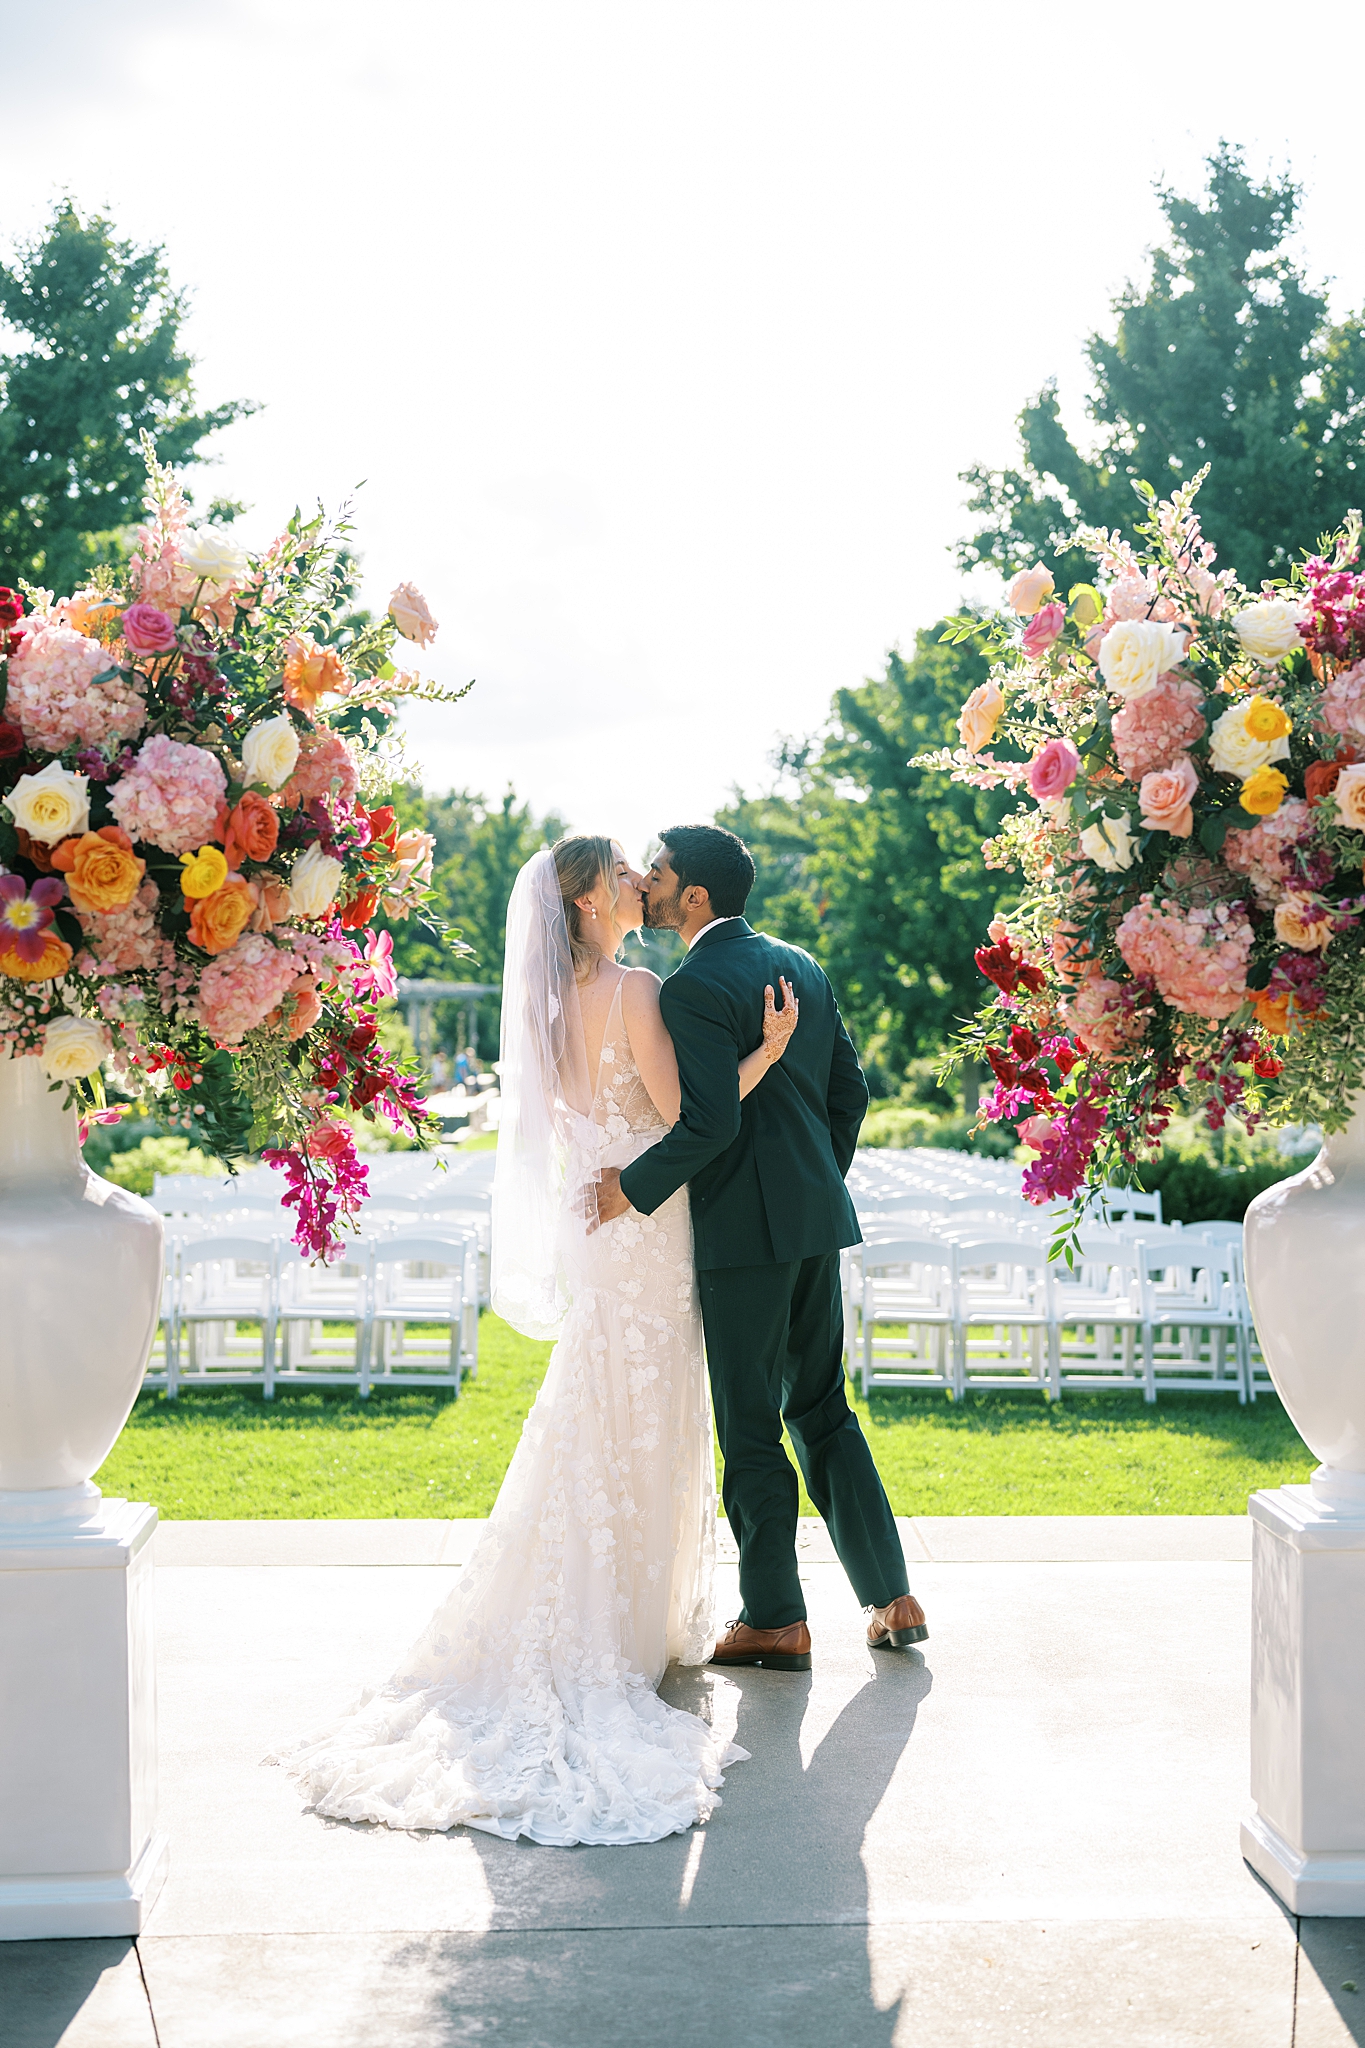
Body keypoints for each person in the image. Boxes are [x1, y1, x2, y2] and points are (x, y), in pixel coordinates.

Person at [276, 835, 798, 1845]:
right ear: (595, 900)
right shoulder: (637, 990)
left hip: (591, 1213)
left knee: (598, 1395)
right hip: (645, 1220)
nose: (635, 884)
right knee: (643, 1404)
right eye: (620, 877)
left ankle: (600, 1606)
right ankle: (623, 1624)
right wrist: (767, 1052)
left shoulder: (548, 1003)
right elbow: (695, 1113)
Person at [593, 823, 927, 1670]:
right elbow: (847, 1093)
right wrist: (813, 1181)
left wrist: (625, 1192)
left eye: (658, 870)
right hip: (814, 1222)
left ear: (693, 896)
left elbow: (707, 1124)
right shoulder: (799, 965)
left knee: (749, 1427)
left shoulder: (690, 987)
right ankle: (891, 1597)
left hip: (744, 1235)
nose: (649, 882)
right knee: (822, 1408)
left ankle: (774, 1616)